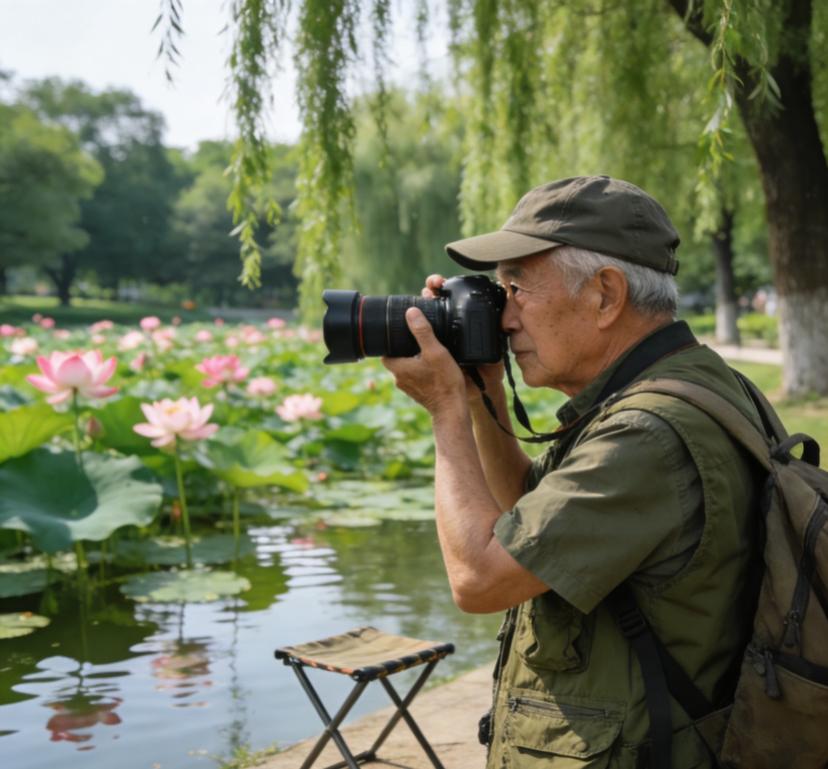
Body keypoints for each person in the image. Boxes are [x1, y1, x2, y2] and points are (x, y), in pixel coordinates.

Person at [381, 176, 761, 768]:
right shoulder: (690, 380)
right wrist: (485, 397)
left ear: (605, 295)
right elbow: (531, 522)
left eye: (515, 287)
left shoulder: (647, 434)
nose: (503, 317)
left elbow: (481, 578)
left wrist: (445, 411)